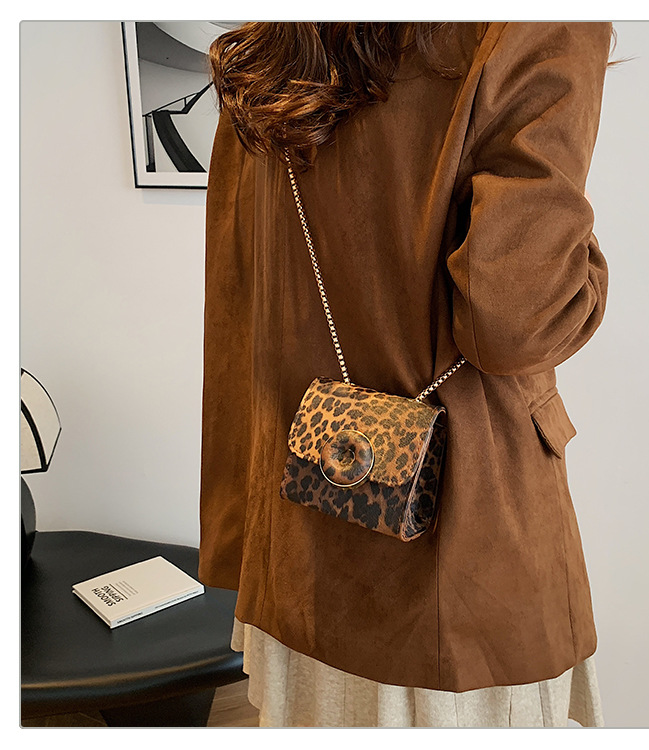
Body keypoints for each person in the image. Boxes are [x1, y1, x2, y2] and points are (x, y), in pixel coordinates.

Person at [198, 21, 619, 727]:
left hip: (299, 543)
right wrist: (591, 272)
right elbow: (517, 321)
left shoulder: (271, 46)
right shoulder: (535, 25)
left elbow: (238, 303)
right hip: (463, 563)